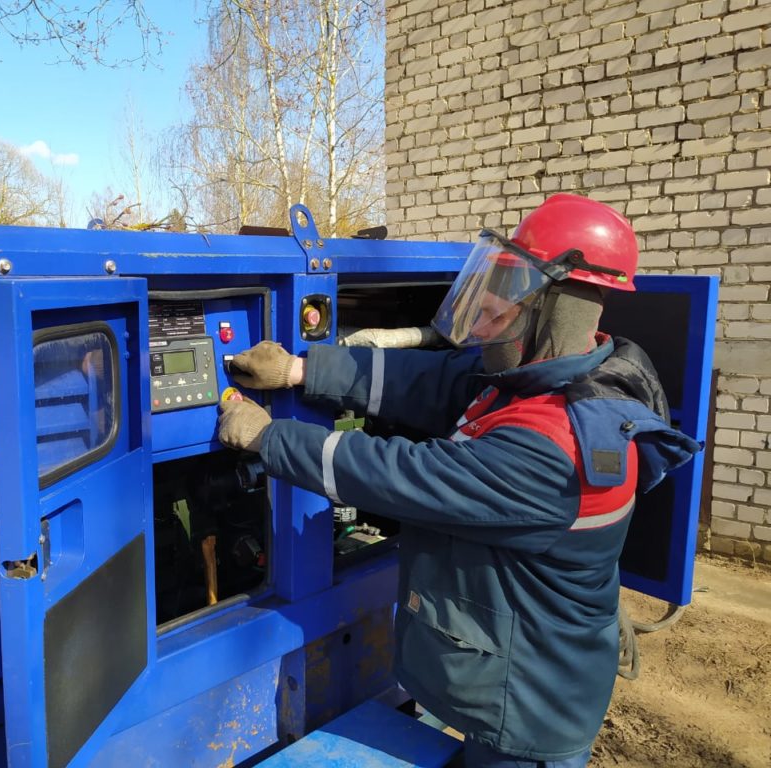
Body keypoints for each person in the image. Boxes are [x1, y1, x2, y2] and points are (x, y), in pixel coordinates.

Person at [216, 194, 701, 767]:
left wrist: (269, 439)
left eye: (513, 292)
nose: (492, 308)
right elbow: (436, 380)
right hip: (525, 653)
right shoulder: (565, 372)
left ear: (557, 308)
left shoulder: (556, 446)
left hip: (530, 715)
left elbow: (403, 477)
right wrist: (303, 369)